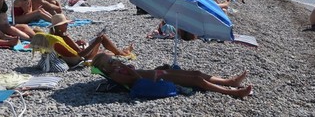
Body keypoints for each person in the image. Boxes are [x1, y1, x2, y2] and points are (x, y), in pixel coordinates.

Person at [92, 52, 252, 98]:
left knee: (195, 73)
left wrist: (159, 68)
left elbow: (138, 73)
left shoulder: (116, 70)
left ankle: (230, 81)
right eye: (110, 61)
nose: (113, 61)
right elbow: (136, 79)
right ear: (105, 68)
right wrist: (125, 66)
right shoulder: (115, 75)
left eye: (112, 59)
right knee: (196, 80)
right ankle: (233, 92)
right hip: (157, 79)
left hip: (157, 73)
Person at [48, 13, 134, 61]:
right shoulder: (65, 37)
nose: (67, 25)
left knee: (102, 51)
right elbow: (80, 54)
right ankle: (121, 53)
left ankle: (122, 52)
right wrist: (95, 43)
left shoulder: (55, 36)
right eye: (65, 23)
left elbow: (71, 49)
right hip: (84, 57)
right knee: (102, 37)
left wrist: (76, 43)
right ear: (58, 26)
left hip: (73, 58)